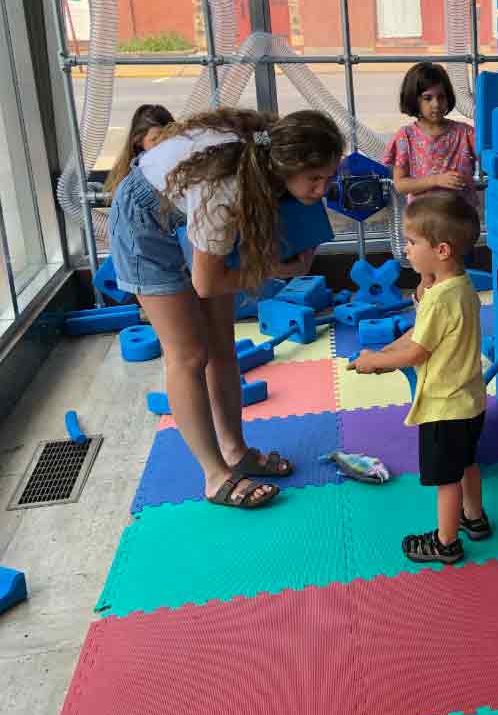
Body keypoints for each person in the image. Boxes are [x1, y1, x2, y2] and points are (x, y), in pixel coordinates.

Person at [108, 108, 344, 508]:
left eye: (329, 177)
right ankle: (215, 476)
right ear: (285, 167)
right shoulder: (226, 191)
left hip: (182, 213)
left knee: (222, 345)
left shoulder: (266, 152)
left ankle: (235, 452)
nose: (323, 190)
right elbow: (208, 282)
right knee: (188, 355)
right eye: (315, 179)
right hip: (143, 226)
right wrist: (274, 269)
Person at [349, 192, 488, 564]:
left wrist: (375, 363)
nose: (406, 251)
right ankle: (474, 519)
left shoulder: (441, 299)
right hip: (470, 401)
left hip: (443, 407)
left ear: (441, 250)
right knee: (467, 464)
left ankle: (446, 542)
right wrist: (380, 352)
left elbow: (416, 352)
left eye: (412, 243)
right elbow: (419, 332)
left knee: (446, 479)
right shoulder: (459, 286)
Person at [383, 62, 477, 297]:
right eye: (428, 97)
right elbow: (401, 184)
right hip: (424, 224)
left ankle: (452, 321)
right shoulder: (406, 137)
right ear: (414, 100)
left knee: (456, 275)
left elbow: (490, 153)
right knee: (428, 278)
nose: (436, 104)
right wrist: (437, 180)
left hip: (457, 221)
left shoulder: (465, 133)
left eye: (441, 97)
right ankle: (424, 322)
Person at [103, 104, 174, 194]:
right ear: (138, 141)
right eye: (155, 139)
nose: (164, 145)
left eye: (169, 137)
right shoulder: (132, 181)